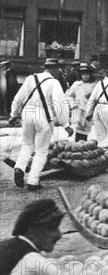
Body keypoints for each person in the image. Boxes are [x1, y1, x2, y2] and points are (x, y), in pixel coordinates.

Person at [0, 199, 108, 275]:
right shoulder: (33, 262)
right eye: (51, 228)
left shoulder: (5, 246)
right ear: (31, 230)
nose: (59, 235)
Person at [9, 58, 73, 190]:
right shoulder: (54, 83)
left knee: (27, 144)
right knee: (41, 150)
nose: (58, 73)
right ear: (54, 69)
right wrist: (66, 124)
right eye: (58, 70)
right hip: (44, 117)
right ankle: (33, 182)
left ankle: (19, 168)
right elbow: (59, 104)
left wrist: (13, 114)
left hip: (27, 115)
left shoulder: (29, 79)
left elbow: (18, 98)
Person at [66, 63, 95, 141]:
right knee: (78, 130)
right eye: (83, 74)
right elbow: (69, 95)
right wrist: (73, 104)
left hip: (88, 110)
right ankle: (77, 143)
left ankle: (83, 144)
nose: (85, 76)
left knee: (85, 131)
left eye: (87, 74)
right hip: (78, 109)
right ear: (80, 75)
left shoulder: (93, 85)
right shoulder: (76, 84)